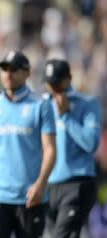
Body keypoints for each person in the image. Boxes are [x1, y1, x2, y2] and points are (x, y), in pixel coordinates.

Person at [0, 50, 56, 238]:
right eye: (4, 69)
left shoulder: (40, 106)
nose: (8, 74)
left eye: (14, 69)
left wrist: (40, 184)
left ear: (27, 73)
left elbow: (50, 149)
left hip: (29, 197)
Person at [43, 59, 101, 238]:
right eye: (49, 82)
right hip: (49, 184)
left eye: (57, 81)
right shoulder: (42, 105)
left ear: (68, 79)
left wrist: (66, 117)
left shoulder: (87, 104)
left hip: (77, 182)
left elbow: (91, 144)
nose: (52, 86)